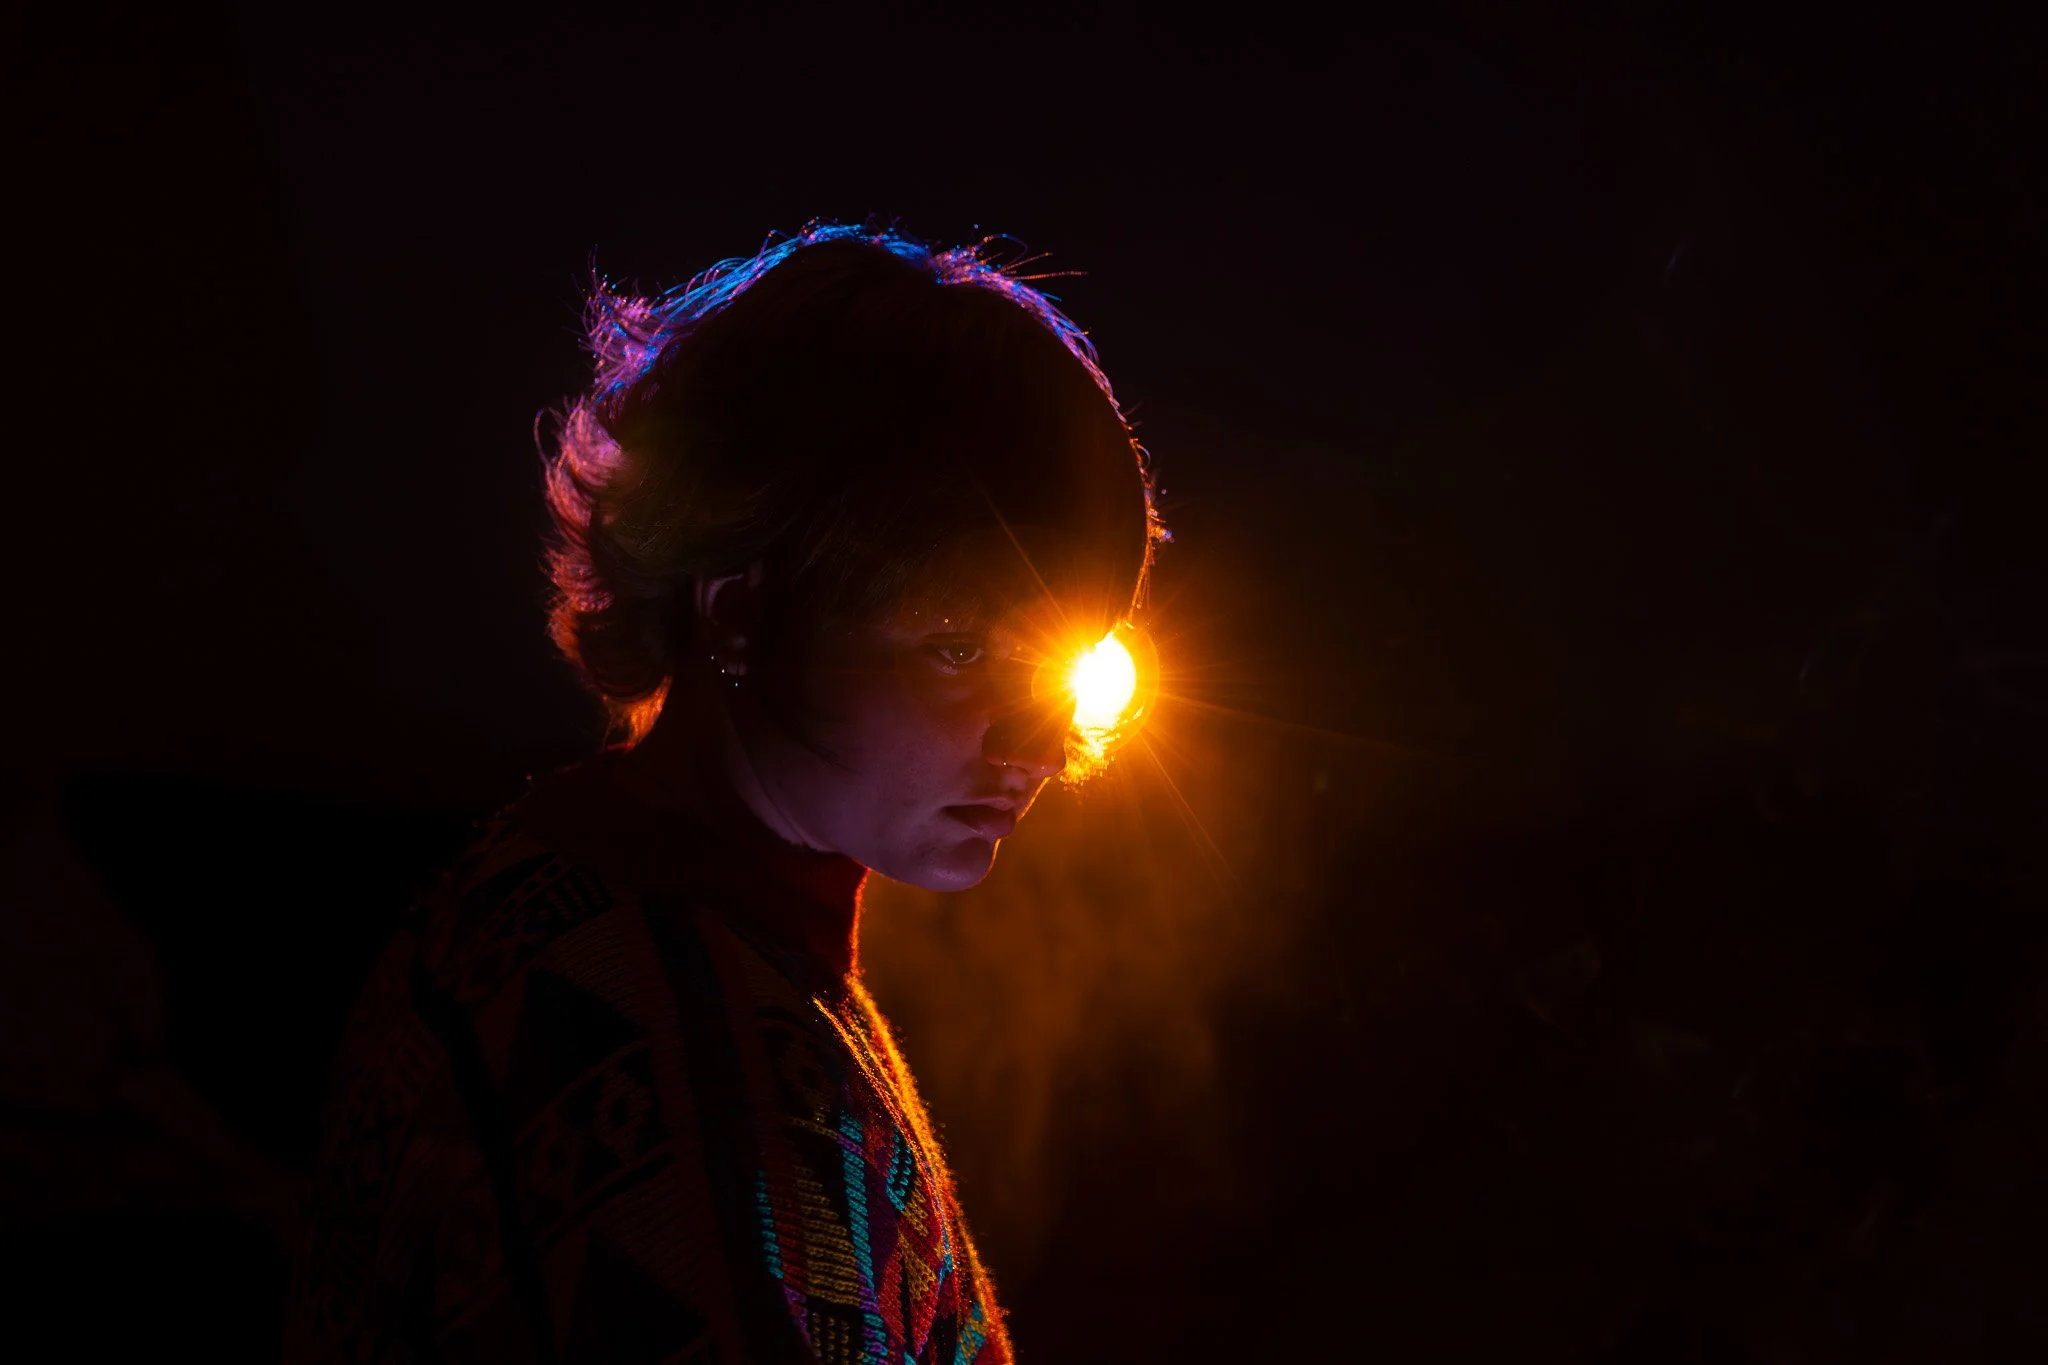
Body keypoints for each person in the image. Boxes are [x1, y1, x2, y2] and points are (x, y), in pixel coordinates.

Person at [284, 222, 1164, 1363]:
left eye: (1062, 662)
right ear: (740, 611)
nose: (1044, 747)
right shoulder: (677, 1030)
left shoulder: (587, 912)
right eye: (959, 648)